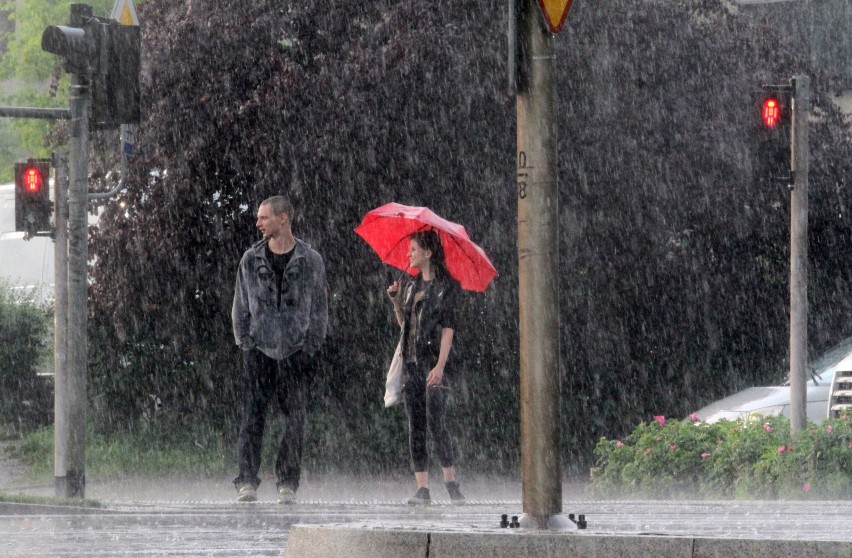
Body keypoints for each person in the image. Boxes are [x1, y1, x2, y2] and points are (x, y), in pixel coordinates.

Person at [231, 195, 328, 504]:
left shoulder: (310, 259)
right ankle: (247, 480)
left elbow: (320, 307)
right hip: (259, 349)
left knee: (295, 419)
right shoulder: (251, 258)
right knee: (252, 417)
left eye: (264, 217)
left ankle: (287, 482)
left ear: (283, 218)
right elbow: (240, 304)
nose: (258, 223)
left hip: (296, 349)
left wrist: (310, 345)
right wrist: (245, 341)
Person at [386, 230, 466, 506]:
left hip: (434, 364)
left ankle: (451, 481)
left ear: (428, 253)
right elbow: (404, 328)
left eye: (413, 250)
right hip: (411, 365)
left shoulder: (447, 287)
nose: (408, 255)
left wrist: (440, 366)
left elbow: (448, 329)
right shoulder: (410, 286)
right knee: (416, 426)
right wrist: (397, 302)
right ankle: (423, 489)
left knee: (436, 422)